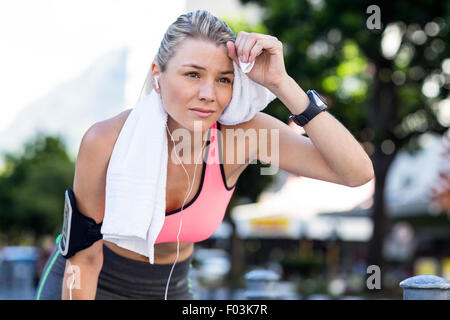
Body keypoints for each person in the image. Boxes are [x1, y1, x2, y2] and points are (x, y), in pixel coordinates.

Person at [36, 9, 374, 300]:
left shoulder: (244, 137)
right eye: (193, 74)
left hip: (173, 286)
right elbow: (84, 259)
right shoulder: (105, 140)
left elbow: (355, 173)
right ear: (158, 75)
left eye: (224, 79)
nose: (208, 94)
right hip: (88, 283)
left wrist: (282, 83)